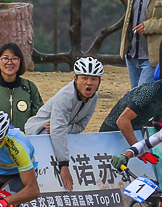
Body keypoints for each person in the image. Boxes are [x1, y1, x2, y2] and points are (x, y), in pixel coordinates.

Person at [25, 57, 103, 191]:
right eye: (84, 78)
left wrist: (63, 129)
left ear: (99, 82)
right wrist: (64, 166)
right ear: (75, 79)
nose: (89, 83)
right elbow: (57, 131)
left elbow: (80, 126)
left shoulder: (94, 97)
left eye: (94, 79)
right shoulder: (65, 96)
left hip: (58, 134)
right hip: (38, 133)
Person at [100, 56, 162, 146]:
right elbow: (122, 120)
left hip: (135, 132)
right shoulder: (149, 91)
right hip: (111, 132)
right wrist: (137, 149)